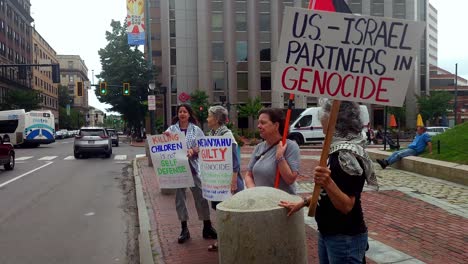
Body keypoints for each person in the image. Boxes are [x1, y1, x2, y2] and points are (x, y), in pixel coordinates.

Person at [279, 100, 378, 264]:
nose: (320, 118)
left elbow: (346, 206)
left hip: (344, 238)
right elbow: (326, 195)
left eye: (324, 113)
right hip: (328, 233)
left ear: (335, 119)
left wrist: (327, 182)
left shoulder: (347, 156)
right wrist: (304, 203)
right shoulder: (334, 151)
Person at [164, 104, 217, 244]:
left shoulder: (196, 129)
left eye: (185, 111)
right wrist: (165, 138)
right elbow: (164, 146)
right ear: (177, 114)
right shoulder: (171, 129)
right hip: (178, 170)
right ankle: (184, 229)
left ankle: (207, 226)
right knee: (180, 199)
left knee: (201, 197)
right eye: (180, 111)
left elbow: (202, 145)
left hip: (194, 168)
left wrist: (193, 150)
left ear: (189, 114)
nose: (182, 114)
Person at [205, 105, 245, 252]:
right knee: (220, 211)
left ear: (216, 119)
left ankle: (232, 242)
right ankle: (223, 240)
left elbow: (235, 161)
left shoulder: (227, 135)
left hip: (229, 183)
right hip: (218, 183)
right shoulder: (211, 135)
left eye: (209, 116)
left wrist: (234, 180)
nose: (207, 119)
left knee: (230, 213)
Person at [244, 108, 300, 195]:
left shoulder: (290, 146)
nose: (259, 126)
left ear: (276, 125)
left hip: (280, 203)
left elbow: (290, 179)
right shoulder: (259, 147)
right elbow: (248, 175)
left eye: (263, 123)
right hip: (261, 203)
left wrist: (280, 157)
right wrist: (254, 192)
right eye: (259, 123)